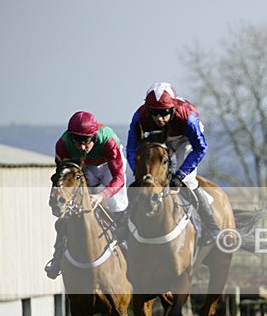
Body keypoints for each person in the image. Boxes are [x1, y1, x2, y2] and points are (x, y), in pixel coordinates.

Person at [125, 82, 220, 244]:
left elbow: (200, 147)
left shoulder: (188, 118)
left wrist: (181, 174)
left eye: (164, 113)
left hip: (187, 139)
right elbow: (132, 148)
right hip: (161, 140)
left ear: (173, 108)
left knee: (188, 180)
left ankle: (211, 227)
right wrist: (138, 173)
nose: (159, 118)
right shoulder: (139, 117)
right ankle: (126, 225)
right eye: (154, 113)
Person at [45, 111, 129, 279]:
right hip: (83, 169)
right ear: (71, 138)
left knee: (115, 203)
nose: (82, 147)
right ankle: (58, 254)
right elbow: (65, 178)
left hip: (108, 166)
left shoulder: (108, 140)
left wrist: (100, 196)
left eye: (86, 142)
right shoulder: (62, 145)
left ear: (94, 137)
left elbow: (119, 178)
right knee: (72, 205)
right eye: (78, 142)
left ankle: (127, 245)